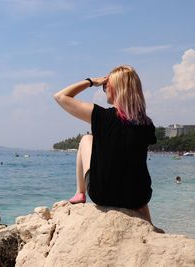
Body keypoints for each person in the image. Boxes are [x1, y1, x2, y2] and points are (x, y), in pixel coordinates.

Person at [54, 65, 156, 223]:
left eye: (105, 86)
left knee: (86, 139)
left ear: (114, 88)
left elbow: (61, 96)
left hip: (103, 194)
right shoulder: (147, 125)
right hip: (138, 197)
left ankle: (80, 192)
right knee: (135, 172)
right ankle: (150, 224)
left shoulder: (102, 116)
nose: (103, 90)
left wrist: (91, 81)